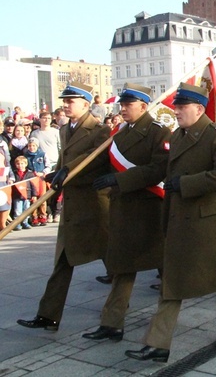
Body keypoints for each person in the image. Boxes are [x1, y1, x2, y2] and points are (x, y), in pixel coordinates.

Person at [125, 83, 216, 363]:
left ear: (199, 109)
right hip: (182, 220)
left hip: (211, 222)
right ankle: (158, 344)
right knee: (172, 283)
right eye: (175, 107)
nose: (175, 111)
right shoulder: (177, 136)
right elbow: (161, 169)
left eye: (181, 107)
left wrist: (187, 183)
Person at [17, 81, 110, 332]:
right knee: (63, 261)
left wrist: (67, 170)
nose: (66, 105)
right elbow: (64, 159)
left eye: (71, 101)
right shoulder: (64, 129)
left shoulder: (100, 131)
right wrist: (56, 173)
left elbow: (96, 158)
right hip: (73, 206)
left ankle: (116, 315)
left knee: (114, 258)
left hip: (95, 207)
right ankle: (48, 315)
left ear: (86, 104)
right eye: (65, 101)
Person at [82, 84, 170, 343]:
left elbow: (158, 170)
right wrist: (67, 171)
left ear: (143, 106)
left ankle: (168, 318)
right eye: (122, 104)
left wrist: (121, 180)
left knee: (167, 267)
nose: (122, 108)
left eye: (128, 104)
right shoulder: (119, 133)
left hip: (149, 209)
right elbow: (99, 161)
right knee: (122, 266)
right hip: (124, 210)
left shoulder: (159, 133)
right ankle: (112, 324)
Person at [30, 110, 62, 222]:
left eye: (48, 118)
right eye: (44, 118)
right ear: (40, 119)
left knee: (56, 188)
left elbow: (60, 147)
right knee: (44, 192)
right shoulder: (35, 133)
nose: (46, 120)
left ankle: (56, 212)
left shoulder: (55, 132)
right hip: (42, 165)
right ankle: (47, 212)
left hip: (55, 163)